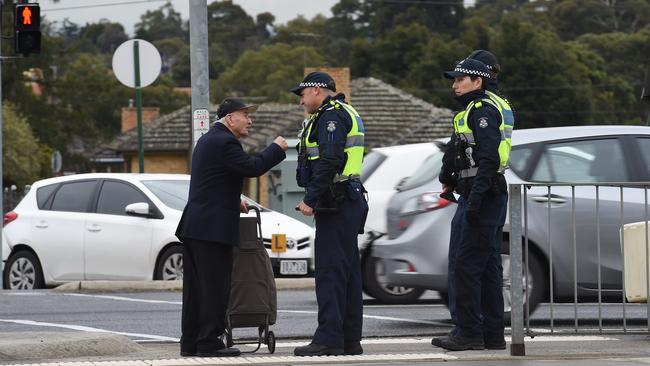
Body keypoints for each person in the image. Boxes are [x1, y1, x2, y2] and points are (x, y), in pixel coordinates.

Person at [175, 97, 288, 357]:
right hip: (212, 229)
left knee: (196, 290)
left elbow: (212, 179)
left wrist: (232, 199)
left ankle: (191, 342)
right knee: (215, 286)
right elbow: (252, 167)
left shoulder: (208, 140)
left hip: (196, 226)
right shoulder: (225, 141)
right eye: (244, 115)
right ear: (229, 119)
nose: (250, 120)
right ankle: (209, 342)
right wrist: (277, 148)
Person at [431, 58, 512, 351]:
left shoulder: (483, 111)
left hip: (483, 195)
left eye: (459, 79)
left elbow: (488, 158)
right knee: (488, 267)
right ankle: (491, 334)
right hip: (481, 193)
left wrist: (475, 200)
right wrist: (450, 178)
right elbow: (461, 150)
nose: (454, 85)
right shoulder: (478, 109)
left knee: (465, 265)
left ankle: (468, 332)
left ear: (477, 82)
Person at [290, 71, 369, 357]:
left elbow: (331, 159)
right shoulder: (341, 112)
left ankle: (329, 339)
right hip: (345, 199)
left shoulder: (330, 116)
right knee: (347, 273)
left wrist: (310, 199)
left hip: (335, 201)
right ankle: (349, 339)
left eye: (302, 95)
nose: (301, 102)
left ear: (316, 90)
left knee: (330, 273)